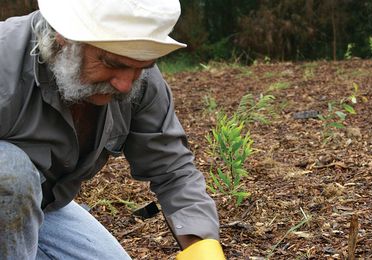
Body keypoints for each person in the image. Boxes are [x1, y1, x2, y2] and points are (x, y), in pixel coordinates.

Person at [0, 0, 225, 259]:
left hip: (44, 207)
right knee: (8, 170)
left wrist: (201, 246)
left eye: (141, 67)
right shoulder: (5, 59)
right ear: (63, 37)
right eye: (113, 64)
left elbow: (172, 169)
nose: (125, 85)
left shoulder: (138, 81)